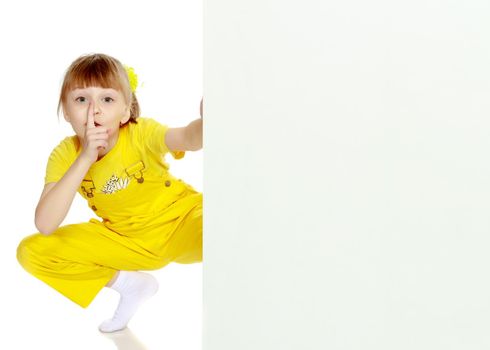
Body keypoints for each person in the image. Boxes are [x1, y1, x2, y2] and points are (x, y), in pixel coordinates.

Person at [16, 53, 203, 333]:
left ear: (126, 111)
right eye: (81, 100)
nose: (94, 111)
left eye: (107, 99)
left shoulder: (141, 132)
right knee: (31, 251)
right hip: (125, 241)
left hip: (181, 223)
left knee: (229, 228)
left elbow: (188, 138)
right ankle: (131, 285)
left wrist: (207, 122)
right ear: (66, 112)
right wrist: (84, 159)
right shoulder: (66, 154)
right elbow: (45, 224)